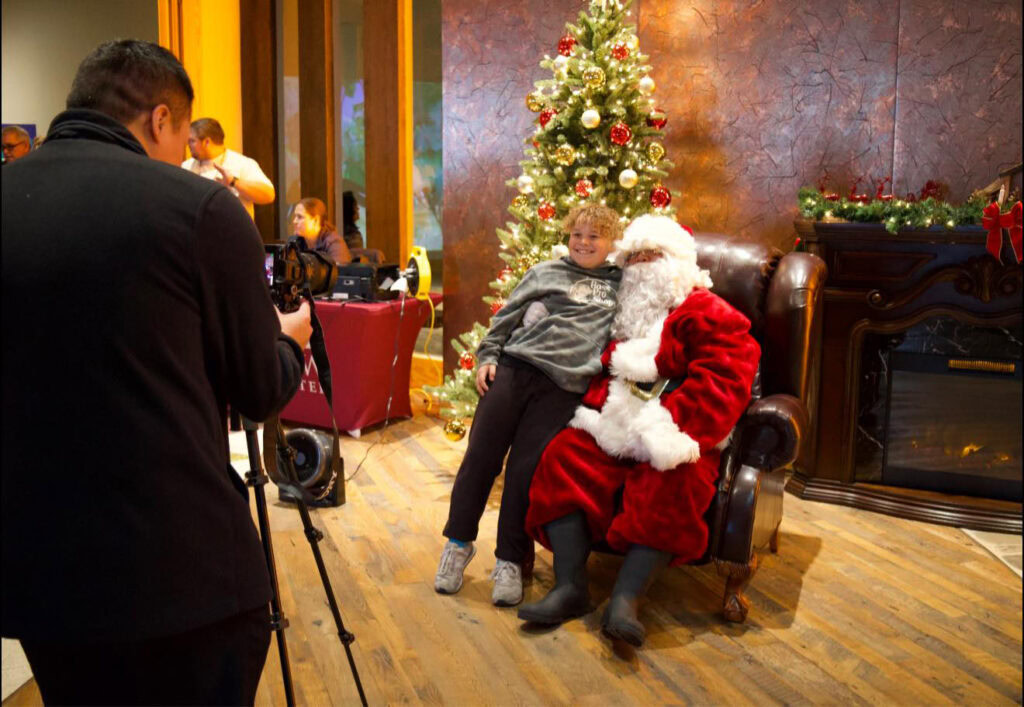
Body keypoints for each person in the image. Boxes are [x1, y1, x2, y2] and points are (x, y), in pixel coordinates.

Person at [1, 39, 312, 705]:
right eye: (181, 138)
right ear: (160, 118)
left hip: (38, 572)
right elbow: (259, 390)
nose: (183, 155)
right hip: (176, 574)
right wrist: (290, 342)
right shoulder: (197, 208)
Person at [518, 215, 761, 647]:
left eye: (652, 256)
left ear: (676, 263)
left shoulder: (706, 311)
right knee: (563, 457)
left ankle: (627, 599)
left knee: (675, 479)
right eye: (633, 258)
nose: (640, 266)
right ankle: (570, 586)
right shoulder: (620, 314)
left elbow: (726, 377)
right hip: (612, 425)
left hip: (675, 429)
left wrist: (665, 426)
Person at [435, 204, 624, 607]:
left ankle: (508, 560)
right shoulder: (545, 272)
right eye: (577, 234)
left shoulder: (620, 284)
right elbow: (506, 318)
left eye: (594, 236)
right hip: (515, 368)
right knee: (480, 457)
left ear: (611, 242)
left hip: (563, 387)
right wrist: (488, 356)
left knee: (524, 471)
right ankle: (458, 544)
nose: (583, 242)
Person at [183, 116, 275, 219]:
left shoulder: (241, 163)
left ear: (207, 142)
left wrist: (234, 182)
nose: (187, 145)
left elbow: (268, 195)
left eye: (192, 141)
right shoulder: (186, 166)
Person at [290, 196, 353, 265]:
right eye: (295, 216)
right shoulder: (296, 242)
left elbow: (339, 270)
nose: (294, 221)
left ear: (315, 220)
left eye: (300, 217)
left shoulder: (333, 243)